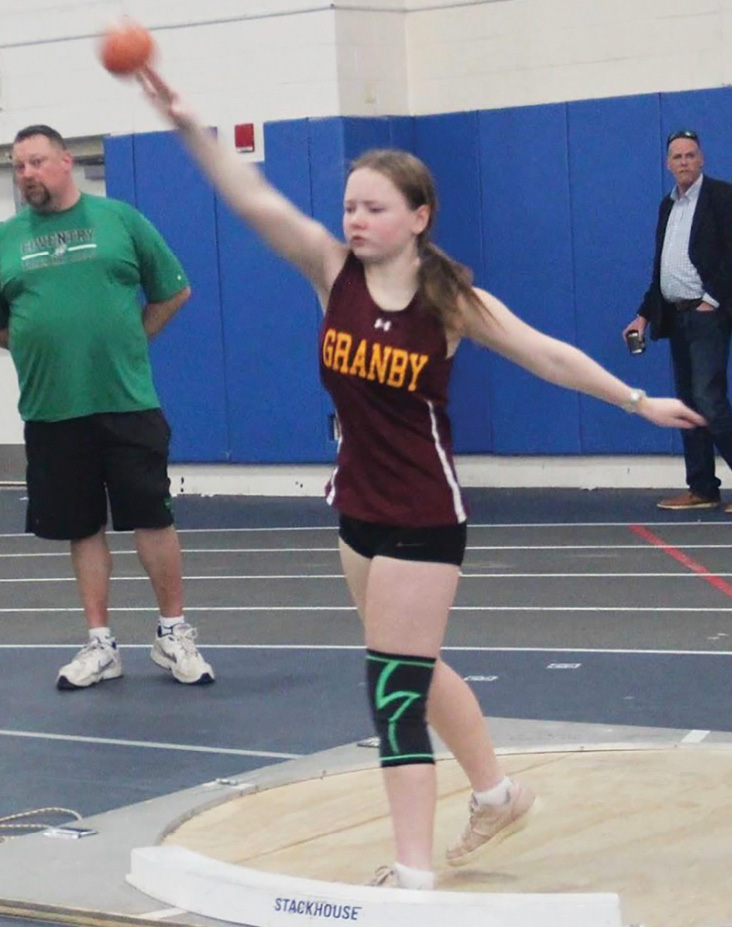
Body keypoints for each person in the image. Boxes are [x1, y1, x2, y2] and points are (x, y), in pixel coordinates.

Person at [136, 67, 703, 889]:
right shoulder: (331, 270)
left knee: (394, 683)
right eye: (350, 206)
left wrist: (637, 399)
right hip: (357, 508)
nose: (355, 219)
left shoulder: (448, 300)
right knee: (410, 662)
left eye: (374, 207)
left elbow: (544, 353)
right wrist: (190, 123)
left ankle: (411, 868)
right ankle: (499, 792)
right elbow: (252, 199)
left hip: (423, 515)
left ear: (418, 216)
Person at [0, 125, 215, 691]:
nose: (27, 174)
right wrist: (37, 343)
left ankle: (173, 633)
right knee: (82, 526)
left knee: (152, 516)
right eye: (18, 166)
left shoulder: (120, 220)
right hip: (51, 409)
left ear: (65, 162)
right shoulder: (6, 239)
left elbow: (173, 289)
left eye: (37, 162)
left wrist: (132, 340)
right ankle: (101, 644)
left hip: (126, 401)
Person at [623, 129, 732, 511]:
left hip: (708, 317)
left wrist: (711, 300)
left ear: (701, 159)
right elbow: (661, 269)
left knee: (709, 399)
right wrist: (642, 317)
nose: (684, 162)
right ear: (668, 164)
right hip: (675, 316)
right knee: (688, 405)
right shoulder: (667, 206)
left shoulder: (722, 197)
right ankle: (702, 488)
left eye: (690, 155)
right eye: (677, 157)